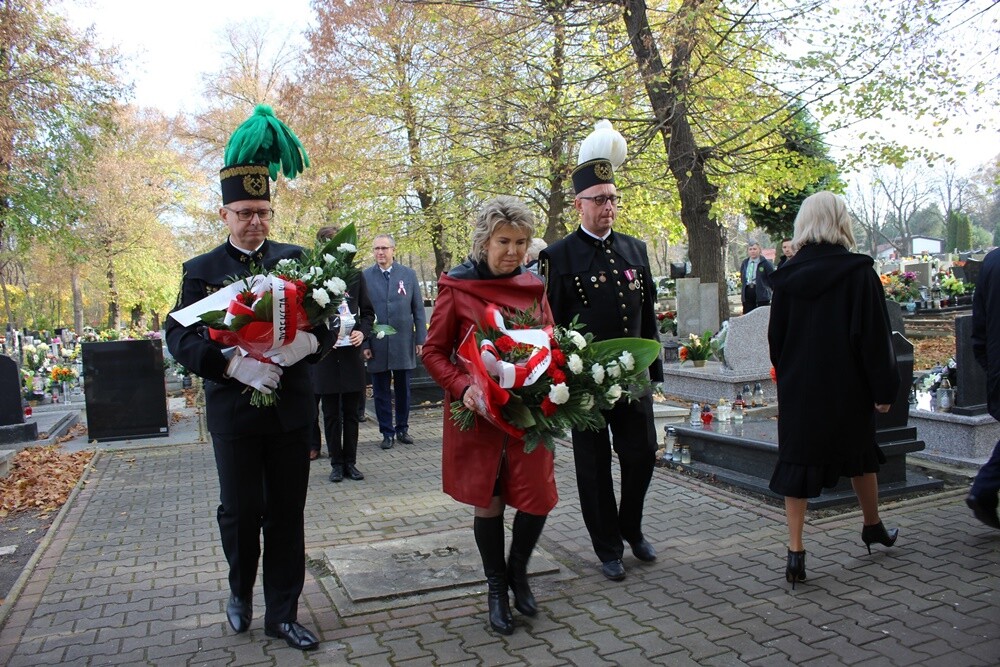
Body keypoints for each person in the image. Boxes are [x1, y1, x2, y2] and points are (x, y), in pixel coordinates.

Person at [165, 106, 324, 650]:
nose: (255, 222)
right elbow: (181, 336)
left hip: (289, 408)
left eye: (263, 211)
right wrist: (231, 364)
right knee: (241, 512)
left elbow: (331, 319)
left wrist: (307, 344)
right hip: (234, 411)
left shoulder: (298, 261)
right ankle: (239, 589)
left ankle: (283, 613)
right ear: (224, 214)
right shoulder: (201, 270)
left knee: (286, 514)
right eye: (244, 212)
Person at [423, 196, 556, 635]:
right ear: (484, 241)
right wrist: (463, 388)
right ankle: (497, 589)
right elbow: (433, 352)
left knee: (537, 496)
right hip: (478, 417)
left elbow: (549, 337)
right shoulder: (456, 288)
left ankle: (518, 572)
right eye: (504, 241)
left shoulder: (534, 286)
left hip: (529, 414)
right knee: (490, 500)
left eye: (521, 242)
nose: (514, 251)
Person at [539, 120, 663, 583]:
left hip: (632, 376)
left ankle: (631, 526)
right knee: (593, 469)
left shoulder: (635, 249)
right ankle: (607, 546)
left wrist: (656, 370)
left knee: (642, 454)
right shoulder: (558, 256)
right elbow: (549, 324)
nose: (608, 207)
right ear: (579, 205)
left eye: (612, 198)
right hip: (583, 383)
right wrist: (558, 383)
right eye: (599, 200)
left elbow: (647, 315)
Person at [767, 191, 901, 590]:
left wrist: (789, 374)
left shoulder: (787, 276)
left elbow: (778, 339)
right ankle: (871, 525)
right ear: (840, 221)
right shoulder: (859, 273)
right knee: (860, 454)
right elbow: (874, 338)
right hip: (847, 385)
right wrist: (883, 388)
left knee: (798, 461)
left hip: (801, 388)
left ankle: (795, 550)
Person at [309, 226, 375, 481]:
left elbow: (368, 313)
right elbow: (309, 318)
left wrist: (362, 332)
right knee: (330, 413)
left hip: (350, 353)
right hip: (326, 355)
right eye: (327, 244)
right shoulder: (314, 276)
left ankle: (351, 462)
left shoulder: (356, 276)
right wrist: (323, 338)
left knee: (350, 412)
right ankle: (336, 463)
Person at [362, 235, 427, 449]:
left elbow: (418, 310)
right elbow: (360, 313)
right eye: (376, 249)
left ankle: (402, 428)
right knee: (380, 390)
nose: (380, 252)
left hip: (402, 341)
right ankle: (386, 432)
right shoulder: (365, 277)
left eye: (384, 248)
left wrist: (420, 340)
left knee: (403, 389)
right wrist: (365, 344)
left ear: (393, 250)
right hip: (377, 343)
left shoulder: (407, 275)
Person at [968, 247, 1000, 529]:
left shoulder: (992, 261)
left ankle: (984, 489)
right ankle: (984, 487)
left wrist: (989, 364)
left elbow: (979, 322)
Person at [740, 241, 775, 313]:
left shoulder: (765, 263)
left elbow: (772, 280)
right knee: (748, 315)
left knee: (761, 315)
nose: (752, 251)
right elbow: (742, 277)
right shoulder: (745, 263)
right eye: (750, 249)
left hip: (761, 294)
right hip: (748, 292)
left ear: (759, 250)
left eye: (755, 249)